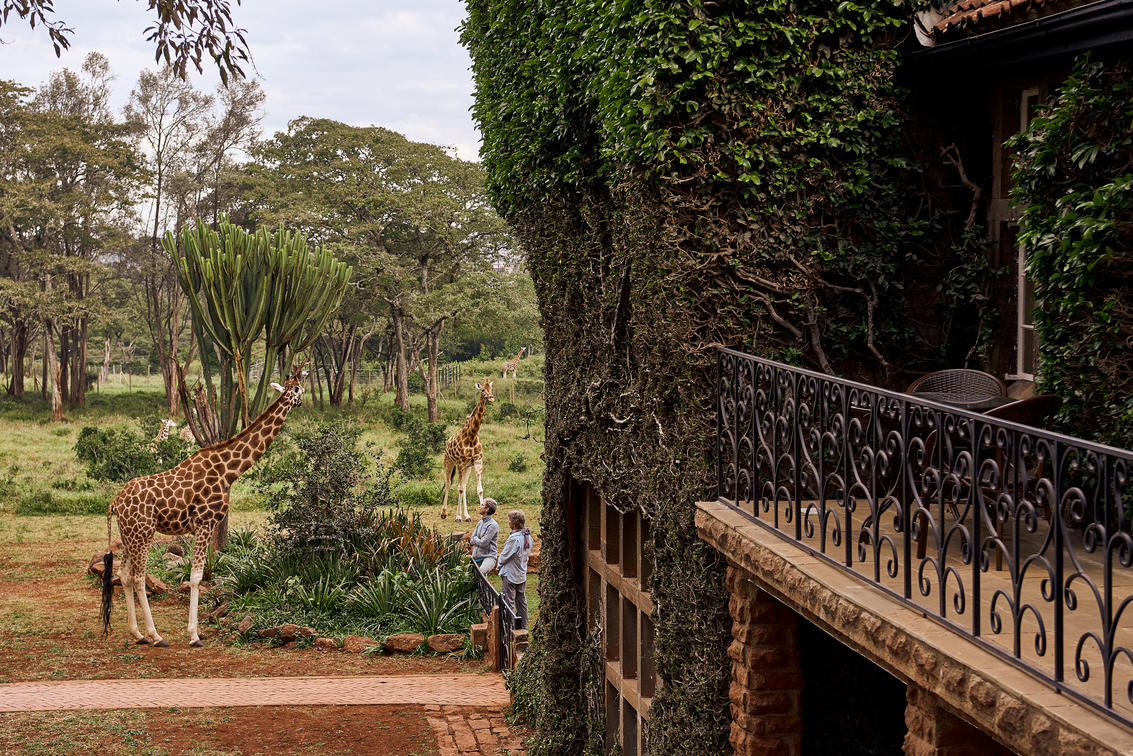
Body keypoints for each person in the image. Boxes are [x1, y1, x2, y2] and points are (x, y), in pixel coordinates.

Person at [497, 509, 532, 629]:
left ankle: (510, 627)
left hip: (511, 574)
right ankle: (523, 626)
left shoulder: (514, 539)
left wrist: (499, 564)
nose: (508, 522)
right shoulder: (528, 537)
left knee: (509, 602)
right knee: (522, 601)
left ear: (514, 523)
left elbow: (504, 556)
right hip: (521, 573)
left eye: (509, 520)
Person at [469, 498, 499, 574]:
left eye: (482, 505)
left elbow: (483, 543)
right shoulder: (480, 523)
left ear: (487, 509)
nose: (479, 506)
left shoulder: (492, 525)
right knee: (473, 579)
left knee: (480, 573)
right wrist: (478, 539)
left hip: (488, 557)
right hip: (476, 557)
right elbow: (471, 540)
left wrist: (476, 539)